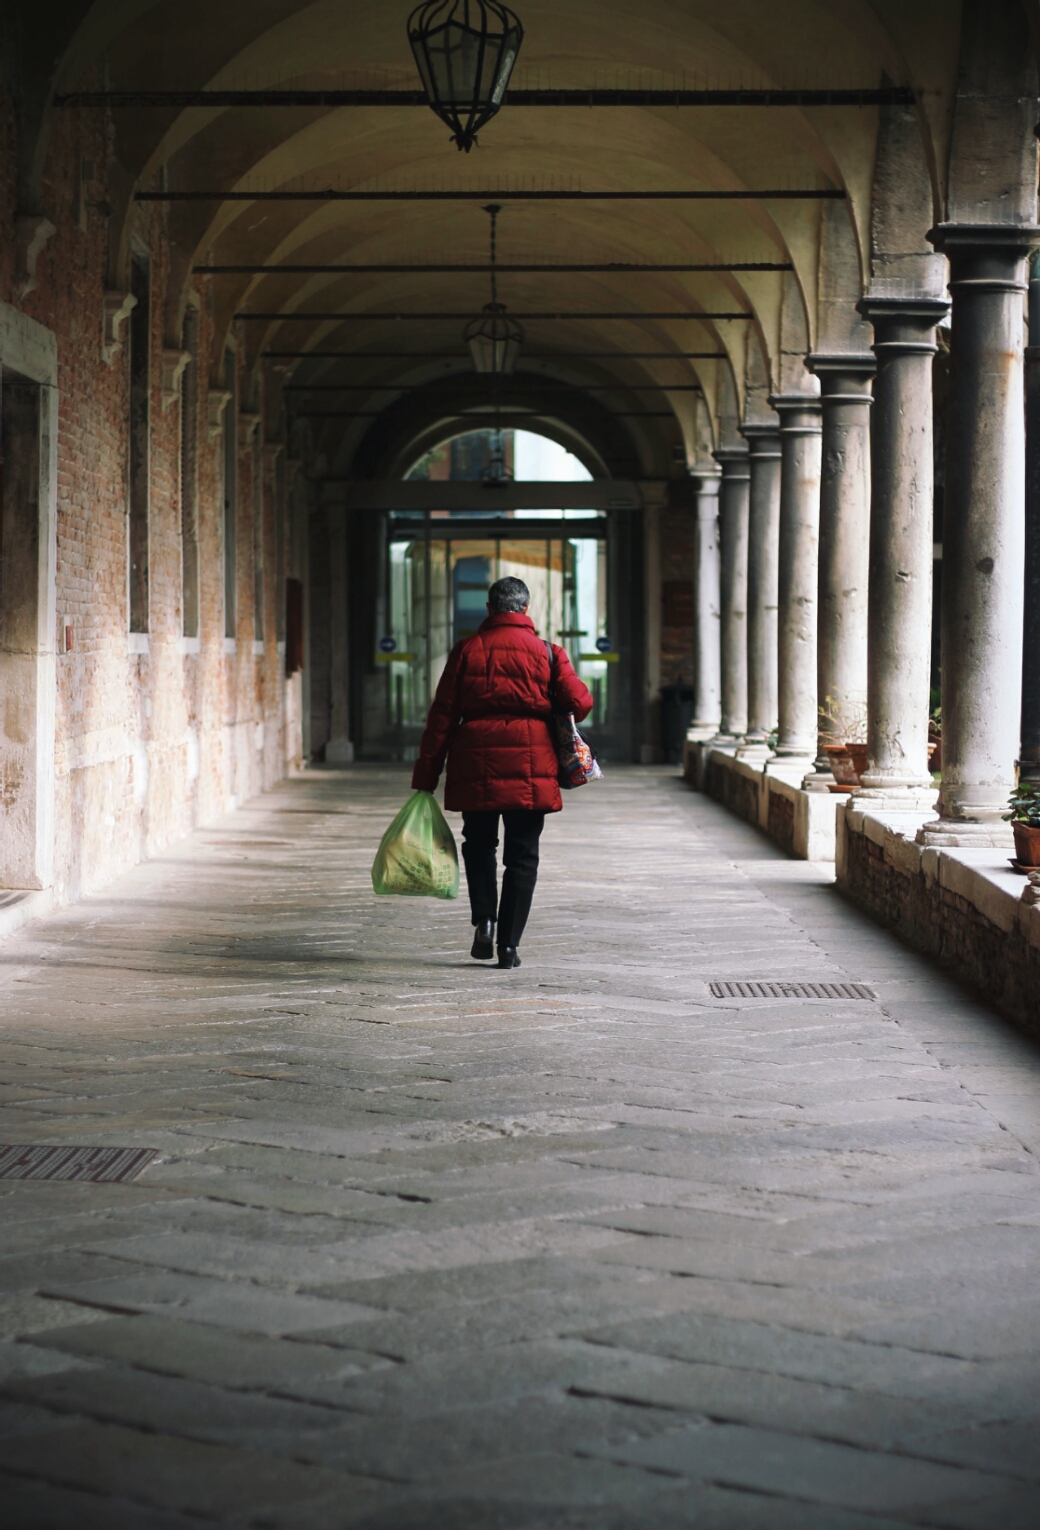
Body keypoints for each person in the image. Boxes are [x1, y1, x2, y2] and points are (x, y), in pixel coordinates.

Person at [411, 576, 594, 968]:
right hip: (532, 761)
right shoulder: (549, 652)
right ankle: (509, 946)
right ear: (526, 610)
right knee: (523, 856)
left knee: (478, 846)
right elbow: (579, 701)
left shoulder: (467, 651)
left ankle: (485, 922)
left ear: (490, 610)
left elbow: (441, 717)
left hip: (475, 758)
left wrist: (426, 776)